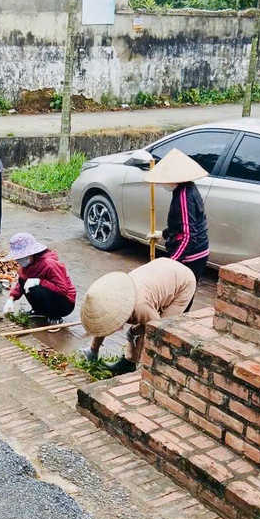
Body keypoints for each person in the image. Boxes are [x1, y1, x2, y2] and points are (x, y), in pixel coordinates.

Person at [79, 258, 196, 377]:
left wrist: (134, 330)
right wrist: (93, 350)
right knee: (141, 325)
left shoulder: (139, 307)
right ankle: (127, 363)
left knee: (164, 328)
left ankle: (146, 368)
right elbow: (103, 321)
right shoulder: (109, 296)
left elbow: (156, 325)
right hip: (161, 269)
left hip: (183, 280)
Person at [145, 148, 210, 284]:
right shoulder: (185, 188)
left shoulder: (185, 196)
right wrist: (163, 234)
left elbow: (189, 235)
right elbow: (180, 226)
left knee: (180, 298)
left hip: (192, 255)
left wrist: (173, 261)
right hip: (194, 251)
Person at [2, 233, 76, 323]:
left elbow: (62, 289)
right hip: (48, 295)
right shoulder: (27, 266)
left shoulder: (50, 264)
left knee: (35, 287)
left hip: (64, 303)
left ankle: (55, 316)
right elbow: (21, 284)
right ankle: (39, 310)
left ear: (30, 254)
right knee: (23, 280)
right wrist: (11, 298)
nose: (19, 260)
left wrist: (40, 281)